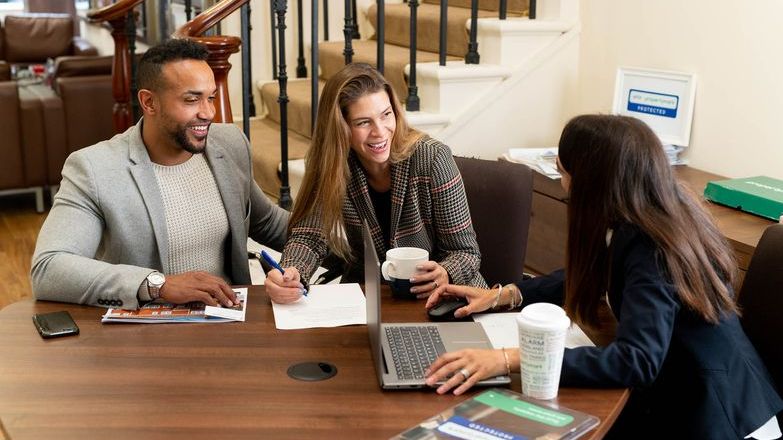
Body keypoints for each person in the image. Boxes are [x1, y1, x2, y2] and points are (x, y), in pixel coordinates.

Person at [423, 115, 783, 439]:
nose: (563, 184)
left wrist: (510, 358)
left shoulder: (652, 248)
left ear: (592, 183)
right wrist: (508, 294)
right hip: (686, 395)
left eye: (563, 172)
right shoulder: (646, 216)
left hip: (719, 419)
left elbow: (636, 360)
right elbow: (593, 272)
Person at [31, 39, 289, 310]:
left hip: (228, 321)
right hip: (145, 333)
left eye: (210, 97)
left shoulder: (230, 144)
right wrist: (158, 285)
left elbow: (268, 222)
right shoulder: (94, 168)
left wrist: (334, 241)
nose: (208, 112)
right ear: (149, 102)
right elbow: (49, 268)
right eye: (192, 99)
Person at [264, 63, 486, 303]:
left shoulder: (432, 158)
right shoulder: (335, 162)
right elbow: (309, 235)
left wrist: (446, 272)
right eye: (363, 122)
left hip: (445, 298)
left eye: (386, 114)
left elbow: (465, 252)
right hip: (371, 298)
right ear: (342, 128)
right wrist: (292, 273)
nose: (380, 131)